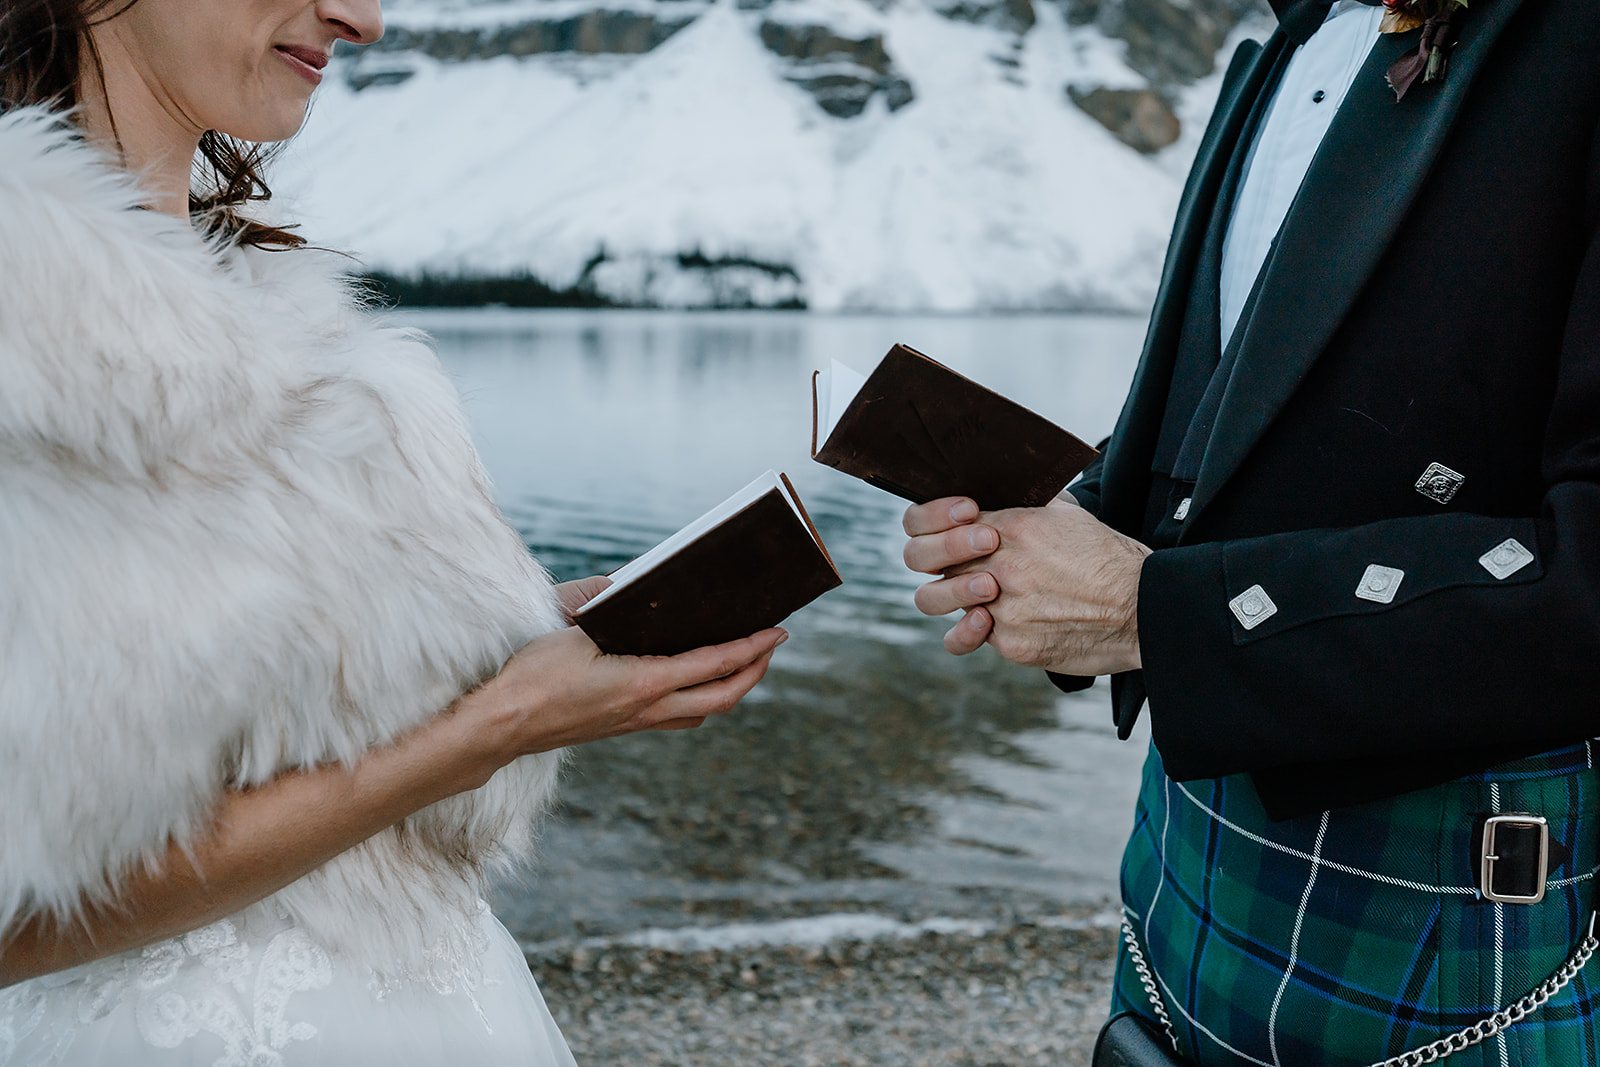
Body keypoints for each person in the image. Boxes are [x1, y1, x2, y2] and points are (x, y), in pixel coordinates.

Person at [0, 1, 787, 1063]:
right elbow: (22, 916)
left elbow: (251, 678)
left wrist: (498, 634)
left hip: (443, 999)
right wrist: (491, 727)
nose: (360, 18)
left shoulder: (268, 304)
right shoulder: (24, 314)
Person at [901, 0, 1600, 1062]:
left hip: (1454, 896)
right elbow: (1232, 419)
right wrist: (1053, 533)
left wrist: (1149, 614)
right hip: (1180, 855)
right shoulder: (1282, 45)